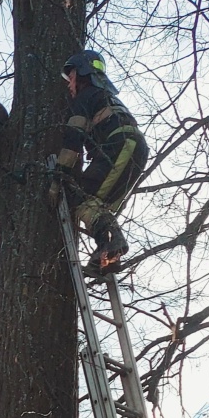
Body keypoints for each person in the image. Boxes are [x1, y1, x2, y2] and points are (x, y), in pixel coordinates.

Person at [49, 50, 149, 275]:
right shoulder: (102, 96)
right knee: (97, 206)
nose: (69, 84)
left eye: (71, 76)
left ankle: (113, 245)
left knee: (81, 198)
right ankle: (108, 258)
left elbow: (73, 139)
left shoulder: (86, 96)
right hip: (131, 147)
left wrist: (58, 176)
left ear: (82, 72)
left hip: (120, 146)